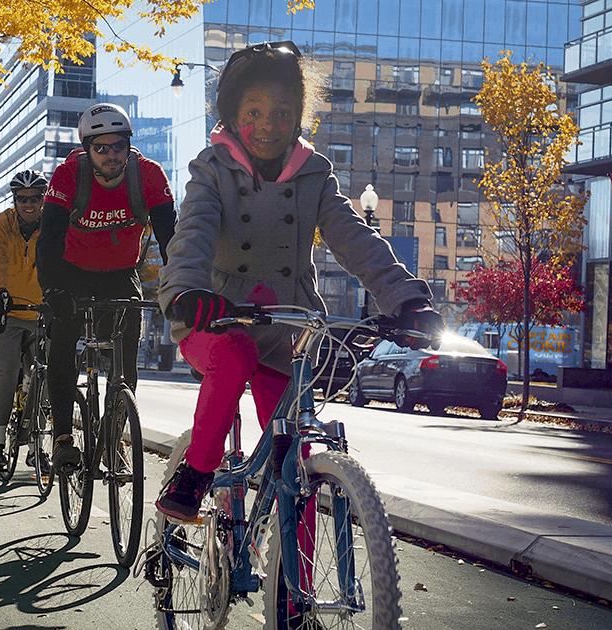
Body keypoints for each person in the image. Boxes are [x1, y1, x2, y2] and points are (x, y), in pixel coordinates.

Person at [154, 41, 444, 523]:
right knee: (234, 354)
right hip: (212, 316)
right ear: (232, 114)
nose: (268, 124)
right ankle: (196, 472)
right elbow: (195, 231)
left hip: (286, 330)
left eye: (282, 112)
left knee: (296, 465)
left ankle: (294, 591)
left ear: (298, 117)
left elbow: (356, 239)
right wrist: (186, 290)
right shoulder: (212, 171)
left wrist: (405, 298)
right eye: (254, 111)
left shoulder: (315, 176)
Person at [38, 102, 177, 472]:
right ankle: (64, 438)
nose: (112, 155)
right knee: (64, 340)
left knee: (124, 357)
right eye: (101, 148)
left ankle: (113, 435)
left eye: (119, 146)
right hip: (72, 271)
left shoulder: (148, 175)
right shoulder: (68, 176)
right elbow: (49, 239)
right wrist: (53, 291)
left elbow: (170, 237)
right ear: (87, 149)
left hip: (120, 272)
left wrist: (182, 285)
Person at [0, 170, 49, 472]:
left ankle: (37, 448)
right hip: (3, 310)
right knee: (7, 374)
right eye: (23, 199)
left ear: (43, 198)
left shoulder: (54, 224)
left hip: (40, 311)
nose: (29, 204)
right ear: (14, 199)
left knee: (44, 376)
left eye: (35, 198)